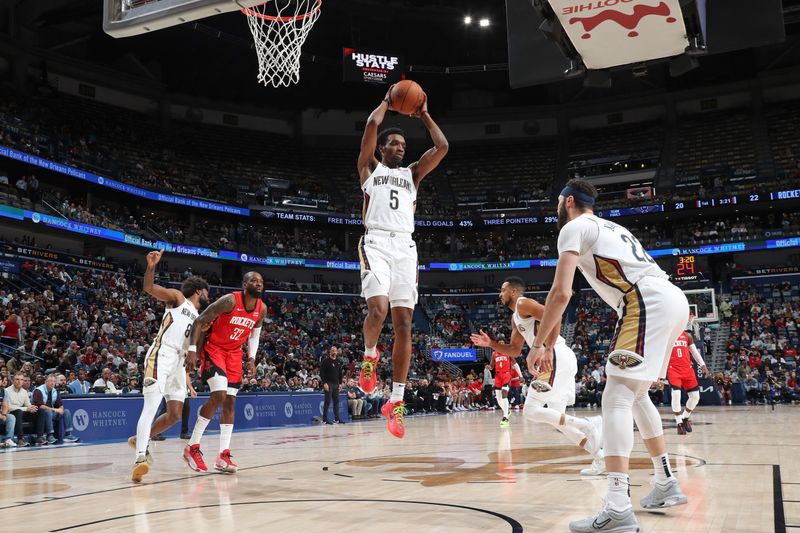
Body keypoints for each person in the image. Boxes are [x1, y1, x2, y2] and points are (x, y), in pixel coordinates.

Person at [527, 179, 689, 532]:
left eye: (558, 202)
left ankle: (617, 505)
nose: (557, 208)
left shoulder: (573, 227)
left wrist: (540, 343)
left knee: (615, 395)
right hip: (671, 298)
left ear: (568, 201)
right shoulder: (610, 226)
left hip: (644, 301)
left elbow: (561, 291)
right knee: (637, 393)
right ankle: (664, 482)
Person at [355, 84, 449, 439]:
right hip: (376, 242)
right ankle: (368, 355)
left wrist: (423, 114)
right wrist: (385, 102)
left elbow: (442, 147)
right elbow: (369, 125)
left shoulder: (412, 175)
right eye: (394, 144)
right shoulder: (369, 169)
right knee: (377, 311)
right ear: (382, 148)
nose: (400, 148)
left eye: (403, 146)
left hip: (405, 249)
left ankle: (395, 401)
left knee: (406, 325)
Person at [471, 277, 605, 476]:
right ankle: (600, 457)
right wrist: (490, 344)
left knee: (531, 410)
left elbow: (555, 315)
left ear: (514, 291)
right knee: (559, 420)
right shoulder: (515, 317)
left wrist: (548, 349)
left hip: (555, 355)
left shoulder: (523, 303)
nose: (500, 294)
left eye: (503, 290)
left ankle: (589, 424)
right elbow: (515, 350)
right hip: (559, 358)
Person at [128, 250, 209, 482]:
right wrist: (151, 266)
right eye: (206, 292)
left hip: (179, 364)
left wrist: (189, 377)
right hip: (161, 355)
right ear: (198, 291)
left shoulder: (199, 318)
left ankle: (141, 439)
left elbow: (193, 349)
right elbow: (149, 288)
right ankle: (140, 458)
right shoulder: (178, 298)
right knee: (152, 405)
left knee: (174, 414)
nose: (208, 295)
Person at [184, 271, 266, 474]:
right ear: (244, 284)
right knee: (219, 395)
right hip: (215, 349)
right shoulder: (229, 301)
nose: (258, 284)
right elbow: (199, 321)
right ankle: (192, 447)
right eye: (254, 281)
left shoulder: (261, 308)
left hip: (234, 354)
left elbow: (254, 334)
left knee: (230, 401)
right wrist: (193, 350)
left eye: (261, 281)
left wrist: (252, 358)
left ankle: (223, 455)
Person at [667, 327, 709, 435]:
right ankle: (679, 423)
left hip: (687, 369)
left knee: (695, 397)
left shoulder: (687, 336)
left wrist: (703, 365)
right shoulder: (666, 335)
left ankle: (685, 417)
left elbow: (694, 352)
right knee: (676, 394)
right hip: (673, 369)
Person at [32, 374, 79, 444]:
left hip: (51, 413)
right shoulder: (38, 390)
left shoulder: (55, 391)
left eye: (54, 381)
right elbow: (40, 406)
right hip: (39, 414)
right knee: (48, 412)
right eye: (50, 381)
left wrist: (61, 409)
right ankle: (49, 435)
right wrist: (55, 410)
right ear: (45, 382)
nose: (52, 383)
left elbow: (60, 404)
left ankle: (68, 434)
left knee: (66, 411)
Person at [4, 372, 37, 446]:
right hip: (10, 412)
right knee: (18, 412)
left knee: (39, 411)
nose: (19, 381)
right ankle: (20, 439)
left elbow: (28, 405)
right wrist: (26, 408)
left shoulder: (24, 391)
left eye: (22, 379)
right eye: (17, 379)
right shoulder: (6, 391)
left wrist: (32, 408)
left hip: (21, 412)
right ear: (13, 381)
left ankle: (39, 436)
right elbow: (8, 407)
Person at [488, 351, 513, 426]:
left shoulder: (508, 352)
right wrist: (490, 367)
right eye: (499, 342)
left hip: (506, 375)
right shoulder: (494, 354)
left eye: (503, 342)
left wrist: (520, 375)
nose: (501, 344)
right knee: (498, 399)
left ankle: (505, 417)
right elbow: (492, 366)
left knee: (504, 394)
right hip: (498, 376)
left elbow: (515, 363)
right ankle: (507, 411)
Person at [320, 346, 343, 424]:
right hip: (328, 383)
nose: (334, 352)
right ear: (330, 352)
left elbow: (340, 373)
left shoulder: (338, 361)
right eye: (332, 351)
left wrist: (340, 383)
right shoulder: (325, 361)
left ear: (337, 352)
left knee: (336, 401)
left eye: (335, 351)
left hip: (336, 384)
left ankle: (337, 419)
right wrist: (325, 383)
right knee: (328, 401)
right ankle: (325, 419)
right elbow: (322, 373)